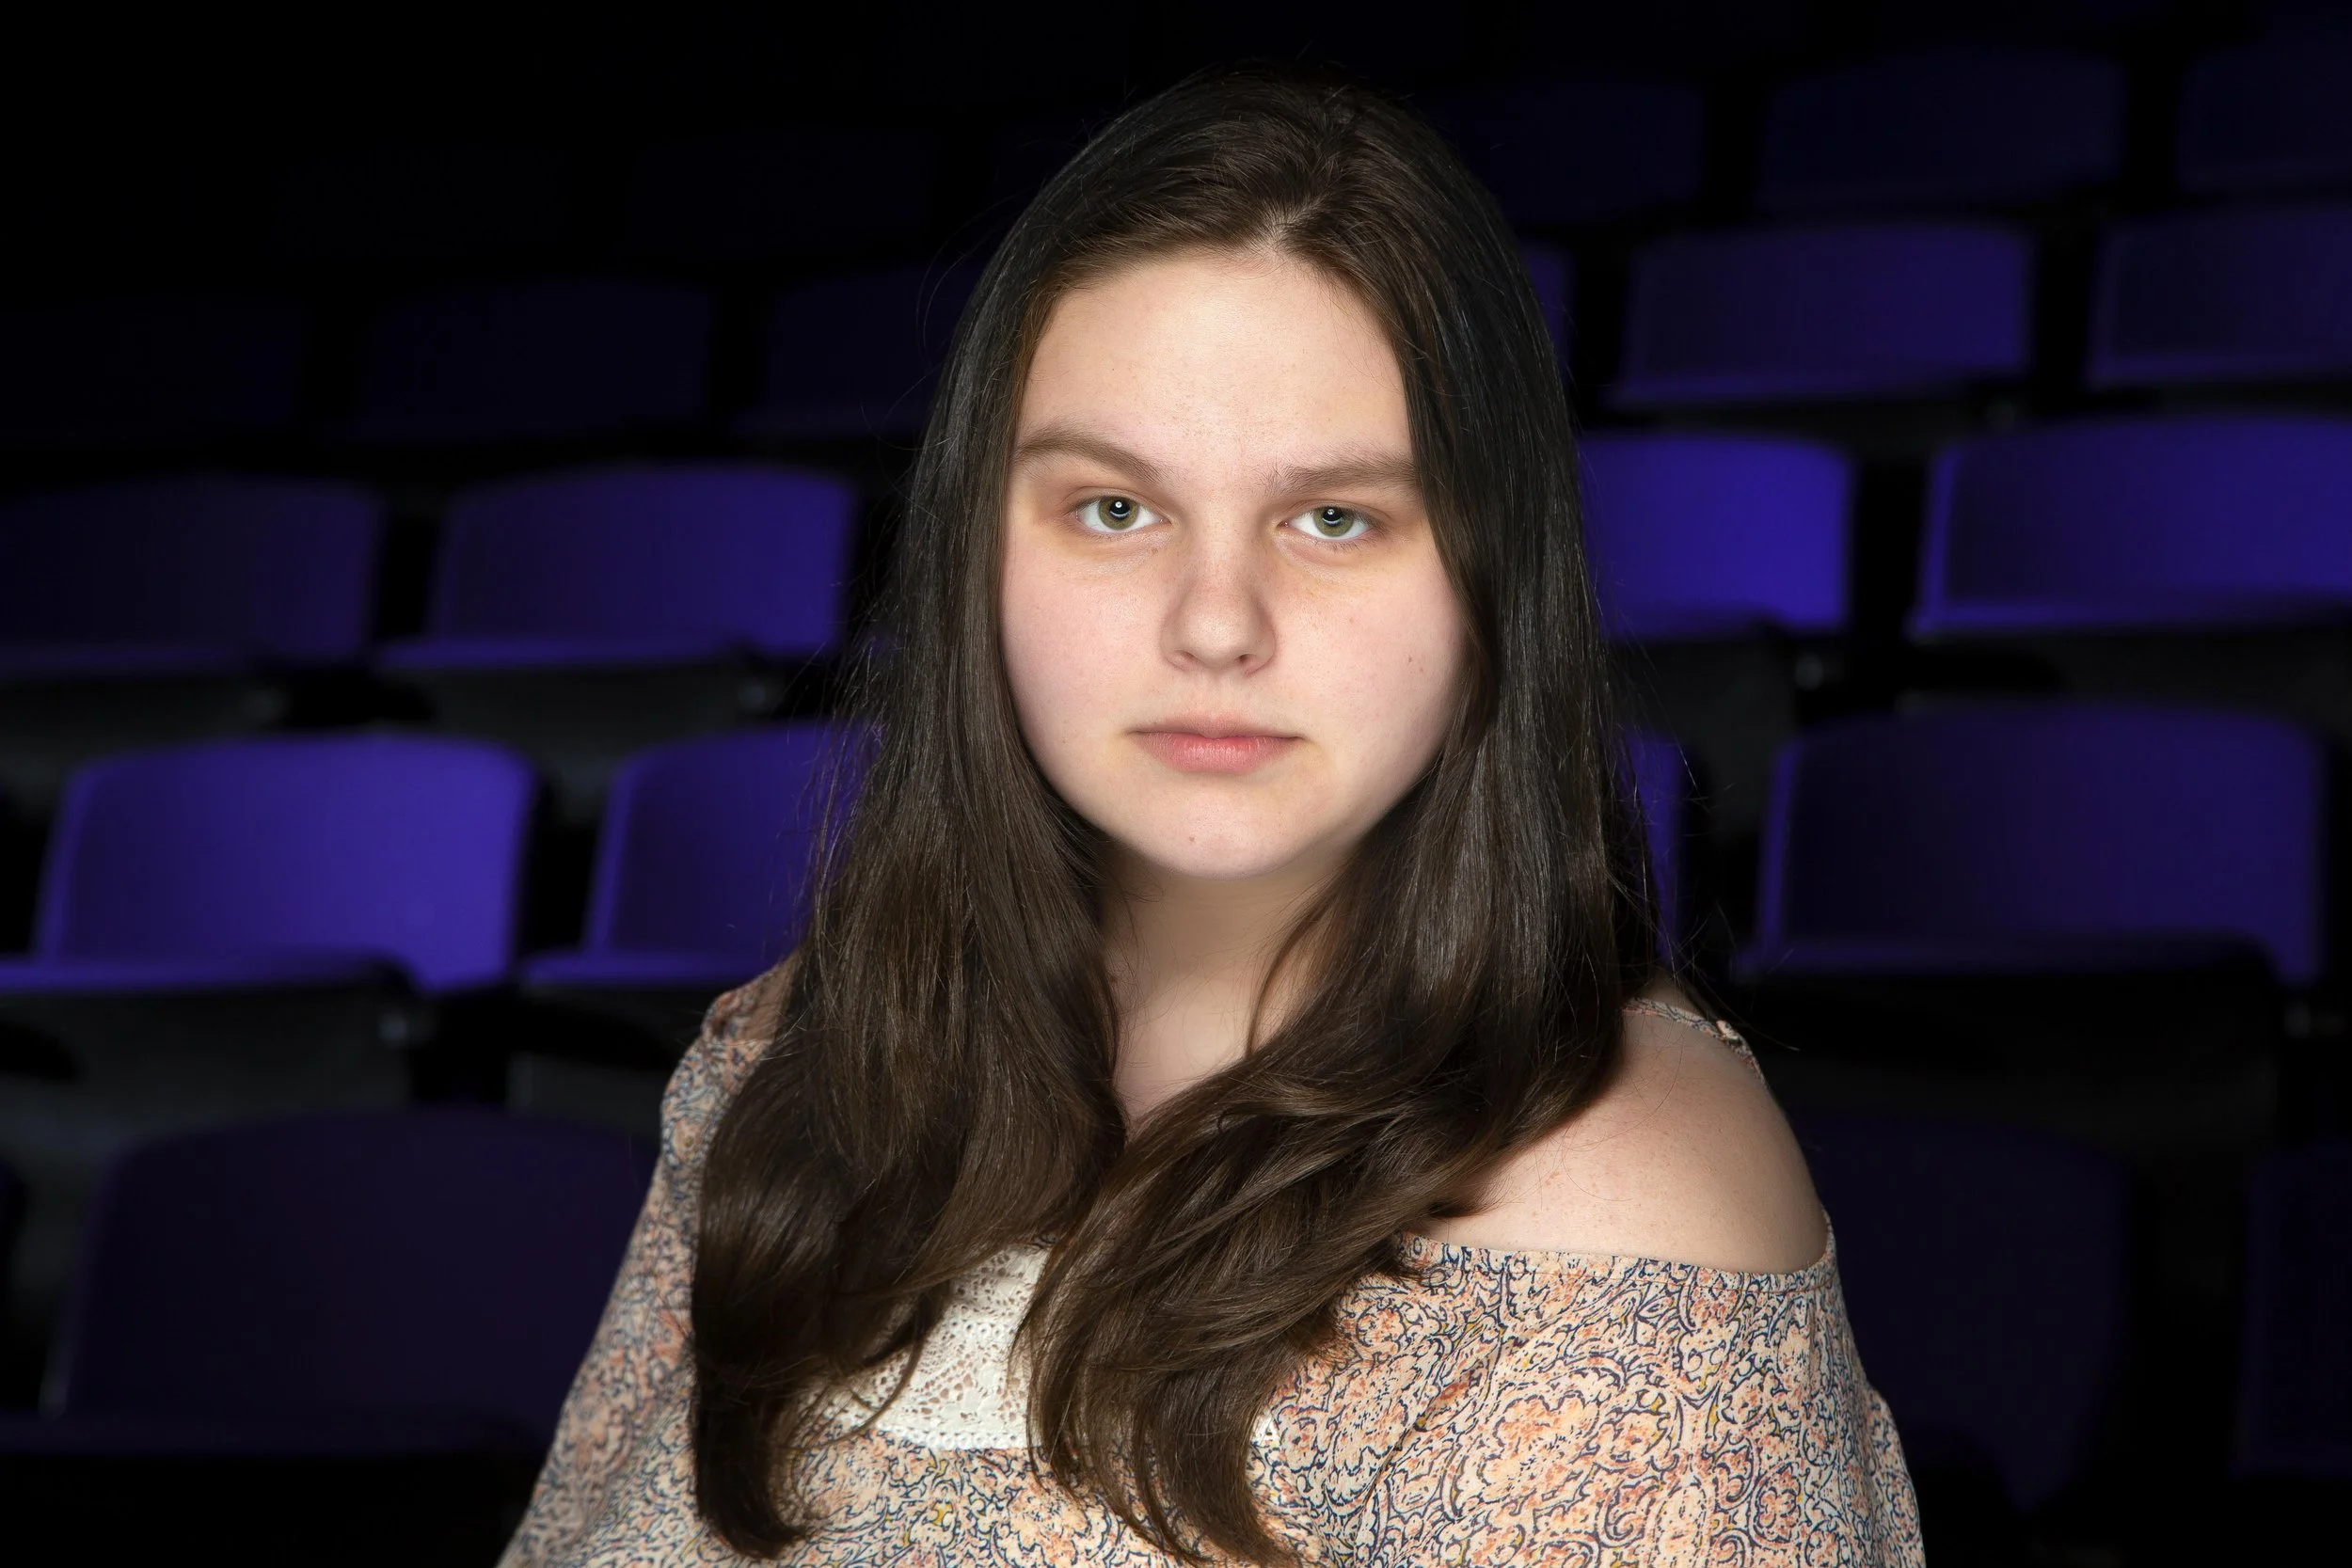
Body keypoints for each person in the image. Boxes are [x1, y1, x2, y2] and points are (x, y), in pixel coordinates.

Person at [501, 69, 1920, 1567]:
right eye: (1115, 508)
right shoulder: (790, 1060)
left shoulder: (1622, 1203)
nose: (1217, 622)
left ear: (1490, 585)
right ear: (980, 549)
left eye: (1335, 516)